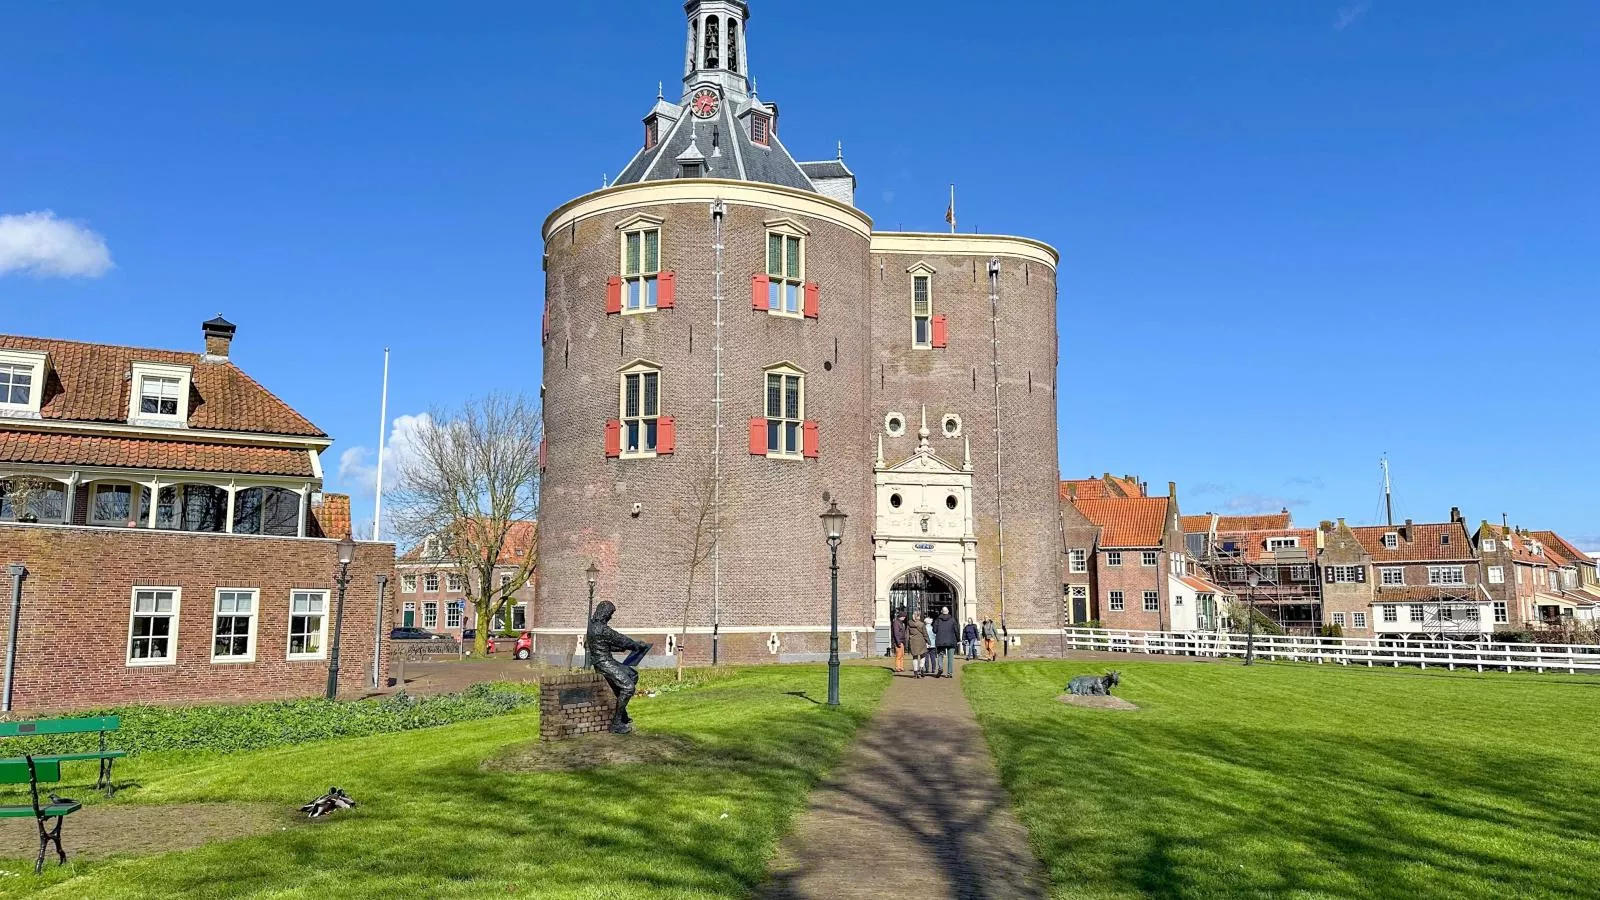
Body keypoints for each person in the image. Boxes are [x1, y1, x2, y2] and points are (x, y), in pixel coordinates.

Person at [587, 600, 651, 734]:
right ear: (604, 613)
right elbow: (620, 639)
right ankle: (616, 723)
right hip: (603, 663)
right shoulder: (601, 628)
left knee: (632, 675)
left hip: (605, 660)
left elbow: (606, 644)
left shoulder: (593, 627)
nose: (610, 617)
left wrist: (621, 648)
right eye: (610, 614)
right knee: (628, 688)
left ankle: (621, 712)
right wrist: (636, 645)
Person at [933, 606, 960, 678]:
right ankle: (949, 673)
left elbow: (934, 630)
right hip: (951, 640)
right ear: (948, 611)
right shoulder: (952, 620)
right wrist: (958, 639)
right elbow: (956, 630)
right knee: (950, 658)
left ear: (942, 611)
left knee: (940, 655)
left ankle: (940, 668)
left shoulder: (937, 620)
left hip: (940, 640)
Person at [906, 613, 930, 678]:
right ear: (918, 617)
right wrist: (929, 641)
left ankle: (915, 672)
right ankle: (921, 667)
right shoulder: (922, 624)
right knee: (923, 655)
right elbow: (925, 634)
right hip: (921, 641)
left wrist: (906, 643)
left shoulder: (909, 624)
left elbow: (907, 634)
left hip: (913, 642)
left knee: (915, 657)